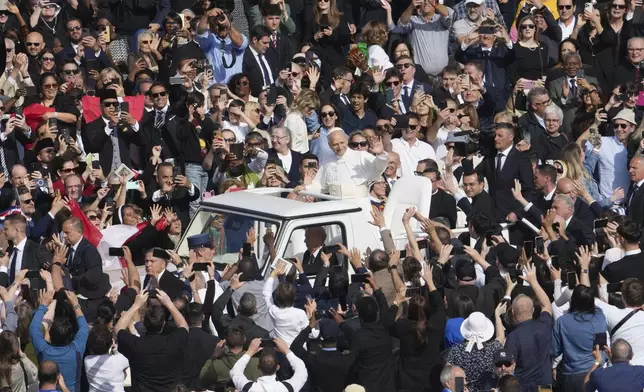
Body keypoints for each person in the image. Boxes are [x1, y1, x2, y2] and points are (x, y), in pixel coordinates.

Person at [116, 289, 189, 391]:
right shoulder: (174, 341)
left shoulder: (136, 345)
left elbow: (118, 329)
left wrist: (136, 305)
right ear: (164, 323)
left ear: (144, 324)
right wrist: (169, 303)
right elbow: (184, 326)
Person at [504, 265, 554, 391]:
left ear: (513, 313)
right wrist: (533, 281)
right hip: (545, 386)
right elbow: (546, 304)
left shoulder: (513, 337)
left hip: (524, 387)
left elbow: (508, 367)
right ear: (533, 310)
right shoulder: (544, 325)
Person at [30, 290, 89, 392]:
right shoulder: (76, 349)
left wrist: (43, 305)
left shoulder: (43, 349)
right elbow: (84, 327)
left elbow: (33, 328)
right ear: (70, 335)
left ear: (50, 335)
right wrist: (75, 304)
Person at [302, 129, 388, 199]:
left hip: (359, 207)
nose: (339, 147)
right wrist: (306, 187)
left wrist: (380, 155)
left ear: (346, 140)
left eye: (342, 142)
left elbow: (378, 170)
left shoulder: (361, 155)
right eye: (335, 144)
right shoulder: (327, 162)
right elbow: (320, 186)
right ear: (329, 145)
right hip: (338, 209)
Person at [551, 284, 607, 391]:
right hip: (596, 371)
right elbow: (600, 347)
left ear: (573, 301)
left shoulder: (562, 322)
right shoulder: (600, 318)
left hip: (571, 375)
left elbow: (554, 351)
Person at [230, 337, 307, 392]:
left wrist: (249, 352)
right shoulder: (287, 388)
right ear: (277, 367)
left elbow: (235, 371)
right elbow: (302, 372)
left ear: (258, 368)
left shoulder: (249, 388)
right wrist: (286, 350)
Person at [0, 213, 51, 287]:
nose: (3, 231)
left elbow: (51, 273)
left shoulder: (36, 249)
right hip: (9, 295)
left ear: (16, 230)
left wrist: (32, 284)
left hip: (29, 296)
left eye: (6, 229)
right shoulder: (9, 250)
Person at [84, 324, 129, 392]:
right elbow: (131, 355)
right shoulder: (118, 360)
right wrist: (116, 349)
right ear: (110, 344)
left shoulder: (87, 360)